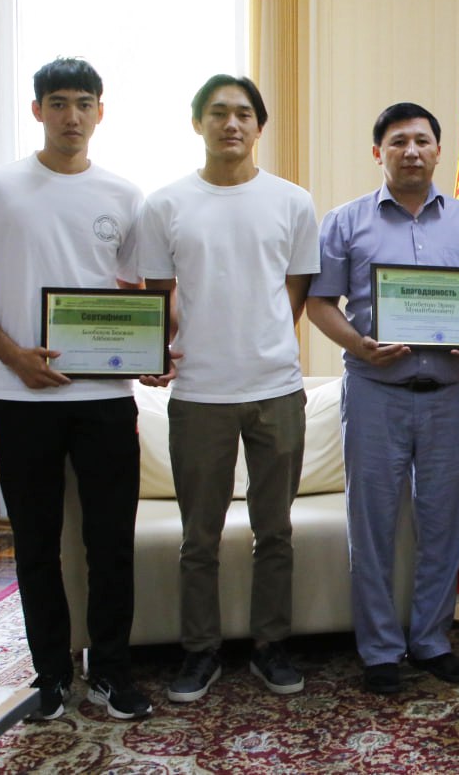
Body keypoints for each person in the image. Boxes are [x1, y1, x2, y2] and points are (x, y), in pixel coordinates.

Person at [0, 57, 152, 721]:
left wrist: (149, 351)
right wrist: (14, 356)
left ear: (100, 112)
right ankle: (51, 674)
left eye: (84, 103)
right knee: (35, 543)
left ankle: (112, 672)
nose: (71, 116)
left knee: (110, 543)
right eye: (58, 102)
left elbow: (136, 292)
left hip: (105, 398)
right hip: (18, 395)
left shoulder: (124, 195)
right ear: (37, 110)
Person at [137, 74, 320, 703]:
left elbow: (295, 290)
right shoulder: (165, 204)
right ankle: (199, 652)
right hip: (198, 393)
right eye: (218, 113)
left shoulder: (292, 201)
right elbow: (159, 296)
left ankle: (272, 646)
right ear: (198, 123)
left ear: (259, 126)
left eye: (243, 113)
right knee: (199, 537)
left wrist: (262, 339)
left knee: (276, 531)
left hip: (276, 389)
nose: (231, 124)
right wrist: (161, 350)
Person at [305, 102, 459, 695]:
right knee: (373, 524)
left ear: (439, 150)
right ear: (378, 152)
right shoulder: (344, 221)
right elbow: (318, 303)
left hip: (446, 394)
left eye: (421, 140)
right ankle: (381, 649)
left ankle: (432, 639)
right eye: (398, 141)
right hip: (374, 392)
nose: (411, 151)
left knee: (444, 522)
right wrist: (359, 347)